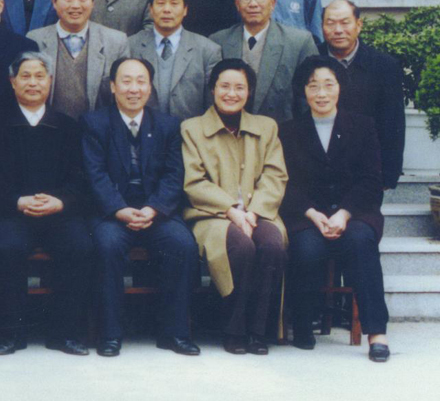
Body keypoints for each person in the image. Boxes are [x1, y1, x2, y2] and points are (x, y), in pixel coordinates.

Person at [83, 57, 201, 357]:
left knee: (183, 244)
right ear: (113, 86)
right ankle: (110, 334)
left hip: (155, 212)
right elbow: (95, 175)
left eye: (140, 81)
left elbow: (174, 175)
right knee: (107, 246)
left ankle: (175, 333)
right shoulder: (94, 123)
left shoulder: (168, 125)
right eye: (126, 81)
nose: (133, 89)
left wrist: (154, 209)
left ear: (150, 87)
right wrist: (119, 209)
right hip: (113, 213)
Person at [280, 57, 390, 361]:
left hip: (355, 212)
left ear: (340, 88)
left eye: (329, 85)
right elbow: (285, 182)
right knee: (305, 248)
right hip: (308, 215)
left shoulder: (363, 126)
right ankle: (303, 326)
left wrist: (343, 213)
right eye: (313, 86)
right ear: (303, 91)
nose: (321, 93)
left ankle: (377, 333)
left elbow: (371, 180)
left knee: (360, 241)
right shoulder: (288, 131)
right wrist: (312, 213)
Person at [0, 52, 93, 356]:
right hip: (14, 212)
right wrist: (18, 201)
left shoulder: (68, 126)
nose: (32, 83)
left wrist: (60, 201)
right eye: (25, 76)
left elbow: (80, 178)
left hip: (58, 212)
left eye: (39, 76)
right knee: (6, 248)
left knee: (79, 245)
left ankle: (65, 334)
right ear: (12, 82)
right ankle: (11, 335)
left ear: (50, 81)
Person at [181, 59, 289, 355]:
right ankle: (234, 329)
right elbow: (194, 182)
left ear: (249, 91)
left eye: (239, 87)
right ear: (213, 89)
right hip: (211, 215)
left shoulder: (266, 127)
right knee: (240, 247)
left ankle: (258, 331)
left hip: (259, 211)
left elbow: (275, 175)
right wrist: (231, 210)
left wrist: (253, 212)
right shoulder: (192, 129)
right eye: (225, 86)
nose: (231, 93)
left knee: (272, 244)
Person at [321, 0, 406, 190]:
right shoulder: (311, 60)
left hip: (367, 169)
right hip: (320, 170)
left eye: (345, 22)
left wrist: (388, 176)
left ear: (358, 25)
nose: (338, 30)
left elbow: (393, 124)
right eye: (330, 23)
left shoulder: (384, 66)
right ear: (322, 26)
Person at [209, 0, 318, 123]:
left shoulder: (299, 42)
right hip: (229, 130)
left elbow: (309, 97)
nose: (253, 3)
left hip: (281, 130)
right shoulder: (218, 41)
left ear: (273, 3)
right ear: (237, 4)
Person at [27, 0, 127, 120]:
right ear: (54, 2)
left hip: (99, 130)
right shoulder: (34, 40)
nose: (75, 5)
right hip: (48, 127)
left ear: (93, 2)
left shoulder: (116, 41)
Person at [123, 0, 222, 121]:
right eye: (160, 3)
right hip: (143, 131)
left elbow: (212, 104)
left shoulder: (208, 50)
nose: (167, 10)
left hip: (190, 132)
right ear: (151, 9)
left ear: (185, 9)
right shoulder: (130, 45)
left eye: (174, 4)